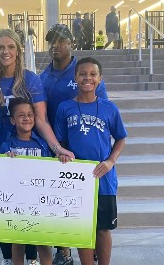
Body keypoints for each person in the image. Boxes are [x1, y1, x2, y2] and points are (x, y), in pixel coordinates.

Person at [0, 28, 74, 265]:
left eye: (11, 47)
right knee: (3, 207)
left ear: (19, 50)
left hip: (27, 153)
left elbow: (41, 120)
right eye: (1, 47)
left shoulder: (30, 79)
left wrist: (56, 148)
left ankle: (32, 259)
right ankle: (7, 258)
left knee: (28, 207)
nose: (6, 52)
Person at [39, 24, 108, 265]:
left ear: (72, 43)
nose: (55, 45)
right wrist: (55, 146)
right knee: (62, 205)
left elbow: (103, 111)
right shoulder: (43, 77)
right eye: (51, 41)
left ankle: (91, 249)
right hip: (57, 148)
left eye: (61, 40)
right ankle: (64, 251)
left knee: (91, 212)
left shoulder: (85, 72)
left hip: (85, 152)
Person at [55, 57, 127, 265]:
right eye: (82, 74)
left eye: (93, 74)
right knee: (82, 227)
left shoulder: (109, 108)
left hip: (103, 177)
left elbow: (121, 138)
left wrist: (111, 161)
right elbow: (60, 141)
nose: (88, 78)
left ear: (100, 79)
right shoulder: (65, 108)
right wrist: (62, 153)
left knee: (103, 228)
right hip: (76, 178)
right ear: (75, 77)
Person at [0, 97, 52, 265]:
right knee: (18, 241)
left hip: (38, 201)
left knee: (43, 243)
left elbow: (50, 171)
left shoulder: (42, 145)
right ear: (13, 120)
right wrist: (5, 159)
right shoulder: (7, 145)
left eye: (30, 114)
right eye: (21, 115)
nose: (26, 118)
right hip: (16, 202)